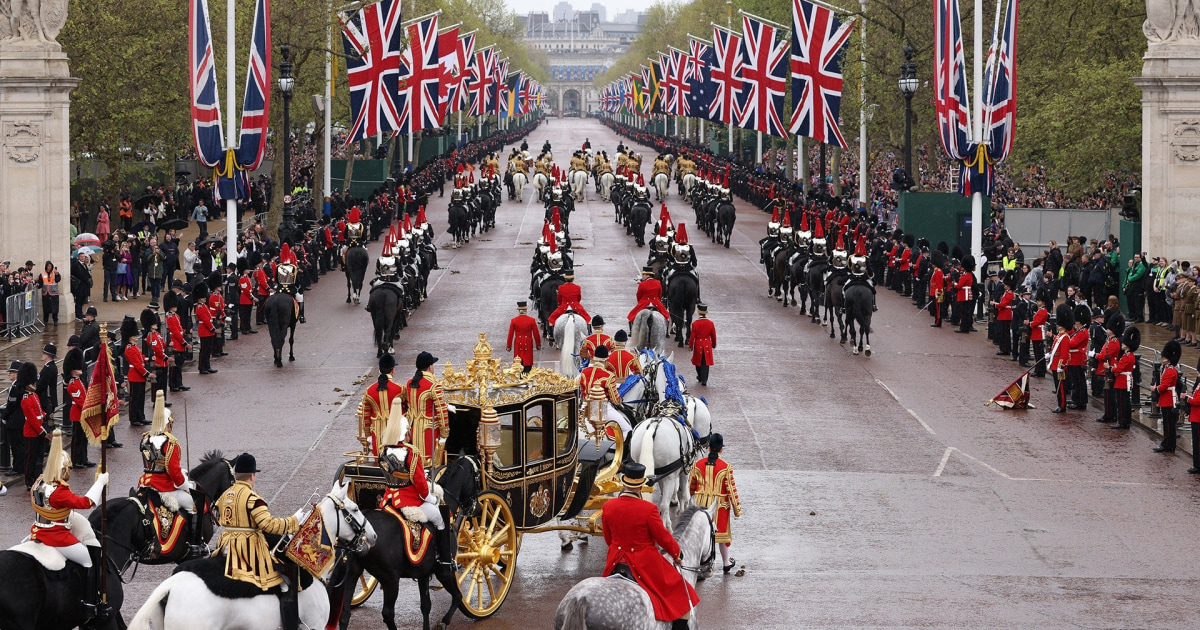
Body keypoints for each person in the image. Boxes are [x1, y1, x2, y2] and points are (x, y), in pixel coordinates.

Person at [601, 462, 699, 630]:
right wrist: (677, 554)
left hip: (615, 561)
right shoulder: (649, 509)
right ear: (640, 486)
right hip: (643, 562)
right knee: (683, 593)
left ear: (624, 483)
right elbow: (664, 538)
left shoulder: (608, 506)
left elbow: (608, 539)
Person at [211, 452, 302, 630]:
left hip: (225, 543)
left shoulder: (225, 495)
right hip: (247, 547)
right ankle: (290, 624)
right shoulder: (253, 498)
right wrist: (293, 521)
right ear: (252, 475)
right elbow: (268, 525)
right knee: (284, 580)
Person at [29, 430, 109, 616]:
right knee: (88, 561)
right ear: (63, 470)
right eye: (68, 469)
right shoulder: (59, 491)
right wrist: (100, 482)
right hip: (56, 535)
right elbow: (86, 503)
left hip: (38, 529)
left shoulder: (40, 481)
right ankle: (90, 604)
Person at [376, 406, 455, 569]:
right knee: (440, 520)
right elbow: (420, 485)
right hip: (410, 500)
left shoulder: (382, 450)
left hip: (389, 498)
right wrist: (432, 499)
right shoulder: (411, 452)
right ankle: (444, 560)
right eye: (407, 432)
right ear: (404, 432)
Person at [138, 392, 203, 554]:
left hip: (145, 483)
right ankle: (195, 545)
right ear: (168, 424)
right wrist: (186, 484)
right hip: (164, 488)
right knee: (193, 505)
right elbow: (175, 474)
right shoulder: (170, 443)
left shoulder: (145, 438)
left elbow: (156, 464)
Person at [688, 433, 742, 574]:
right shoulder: (726, 467)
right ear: (721, 449)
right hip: (719, 506)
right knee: (723, 537)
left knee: (700, 534)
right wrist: (737, 510)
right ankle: (725, 562)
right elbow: (731, 489)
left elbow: (691, 485)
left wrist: (692, 497)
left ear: (709, 448)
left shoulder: (697, 464)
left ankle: (699, 563)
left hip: (701, 505)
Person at [403, 352, 450, 467]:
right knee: (430, 462)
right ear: (430, 367)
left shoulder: (409, 383)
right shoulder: (434, 385)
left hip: (412, 427)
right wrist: (444, 433)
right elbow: (442, 412)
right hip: (429, 431)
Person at [358, 354, 404, 455]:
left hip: (377, 431)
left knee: (378, 458)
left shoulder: (369, 390)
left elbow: (366, 415)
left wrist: (368, 434)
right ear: (392, 370)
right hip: (395, 429)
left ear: (379, 370)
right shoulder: (400, 389)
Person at [19, 362, 49, 489]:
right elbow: (32, 420)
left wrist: (46, 415)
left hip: (38, 431)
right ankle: (29, 480)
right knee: (30, 458)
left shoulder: (34, 395)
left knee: (39, 457)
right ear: (27, 384)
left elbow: (39, 412)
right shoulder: (25, 399)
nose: (35, 384)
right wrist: (43, 432)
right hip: (31, 433)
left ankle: (38, 477)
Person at [62, 345, 93, 468]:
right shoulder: (72, 384)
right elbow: (80, 400)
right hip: (78, 413)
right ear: (73, 370)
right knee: (77, 440)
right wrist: (89, 408)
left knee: (84, 438)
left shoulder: (78, 381)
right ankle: (75, 460)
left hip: (83, 412)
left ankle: (83, 458)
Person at [1153, 339, 1181, 453]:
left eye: (1164, 357)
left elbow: (1164, 385)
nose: (1162, 358)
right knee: (1168, 424)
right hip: (1167, 398)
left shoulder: (1170, 370)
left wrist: (1156, 389)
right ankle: (1169, 444)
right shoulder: (1168, 368)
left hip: (1168, 399)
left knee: (1169, 424)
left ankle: (1167, 445)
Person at [1109, 327, 1139, 430]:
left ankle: (1122, 422)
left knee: (1122, 403)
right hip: (1123, 379)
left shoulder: (1127, 356)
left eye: (1124, 344)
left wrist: (1110, 368)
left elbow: (1119, 369)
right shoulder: (1128, 355)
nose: (1122, 344)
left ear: (1127, 346)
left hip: (1122, 380)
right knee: (1124, 402)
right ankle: (1125, 421)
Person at [164, 294, 190, 392]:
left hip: (179, 342)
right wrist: (184, 342)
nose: (176, 307)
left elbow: (179, 329)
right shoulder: (169, 317)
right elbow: (174, 332)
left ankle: (179, 383)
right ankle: (173, 384)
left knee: (179, 365)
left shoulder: (176, 315)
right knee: (174, 366)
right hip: (175, 343)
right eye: (174, 305)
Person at [506, 301, 541, 373]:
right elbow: (536, 334)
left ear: (518, 310)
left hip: (518, 342)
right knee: (528, 361)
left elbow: (510, 334)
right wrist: (538, 344)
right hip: (528, 342)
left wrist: (508, 346)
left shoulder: (514, 321)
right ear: (526, 310)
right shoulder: (531, 320)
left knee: (518, 362)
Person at [124, 329, 150, 426]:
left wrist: (148, 359)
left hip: (140, 375)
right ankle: (133, 418)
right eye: (135, 336)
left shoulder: (136, 346)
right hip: (135, 375)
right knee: (135, 399)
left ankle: (141, 417)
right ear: (130, 338)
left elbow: (141, 357)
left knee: (141, 398)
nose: (136, 338)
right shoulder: (129, 348)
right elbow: (137, 364)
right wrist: (147, 373)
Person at [689, 303, 716, 386]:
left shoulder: (695, 324)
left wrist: (690, 346)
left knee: (698, 362)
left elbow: (692, 336)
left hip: (698, 344)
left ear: (698, 312)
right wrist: (714, 344)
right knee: (706, 363)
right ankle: (705, 379)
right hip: (707, 344)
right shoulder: (710, 323)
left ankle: (700, 376)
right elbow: (713, 335)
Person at [36, 343, 59, 431]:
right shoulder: (50, 366)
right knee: (49, 422)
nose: (42, 355)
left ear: (48, 355)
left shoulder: (49, 368)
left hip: (47, 401)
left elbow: (41, 385)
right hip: (49, 400)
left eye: (44, 353)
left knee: (48, 423)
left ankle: (49, 440)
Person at [196, 295, 217, 375]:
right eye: (203, 297)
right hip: (204, 330)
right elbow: (205, 319)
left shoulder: (204, 306)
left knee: (208, 350)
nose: (205, 298)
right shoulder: (200, 307)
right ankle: (202, 367)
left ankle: (207, 366)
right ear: (200, 298)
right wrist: (212, 328)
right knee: (204, 350)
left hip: (208, 330)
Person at [70, 252, 93, 321]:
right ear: (78, 257)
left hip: (84, 286)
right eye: (81, 256)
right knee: (79, 301)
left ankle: (81, 313)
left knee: (83, 300)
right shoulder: (76, 264)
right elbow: (79, 274)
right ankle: (78, 315)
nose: (83, 258)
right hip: (80, 285)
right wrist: (87, 279)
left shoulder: (84, 264)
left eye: (83, 256)